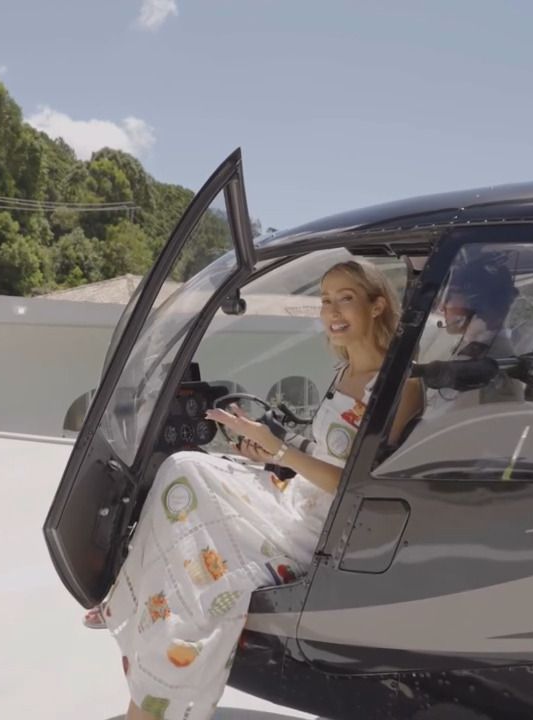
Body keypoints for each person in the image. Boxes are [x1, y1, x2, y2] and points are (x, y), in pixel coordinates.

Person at [94, 259, 422, 720]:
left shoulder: (401, 386)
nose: (331, 311)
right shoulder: (343, 372)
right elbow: (324, 454)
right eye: (325, 300)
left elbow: (358, 485)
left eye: (345, 298)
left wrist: (280, 450)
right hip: (298, 494)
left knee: (196, 538)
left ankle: (160, 691)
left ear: (377, 305)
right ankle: (127, 600)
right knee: (183, 467)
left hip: (326, 527)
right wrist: (267, 452)